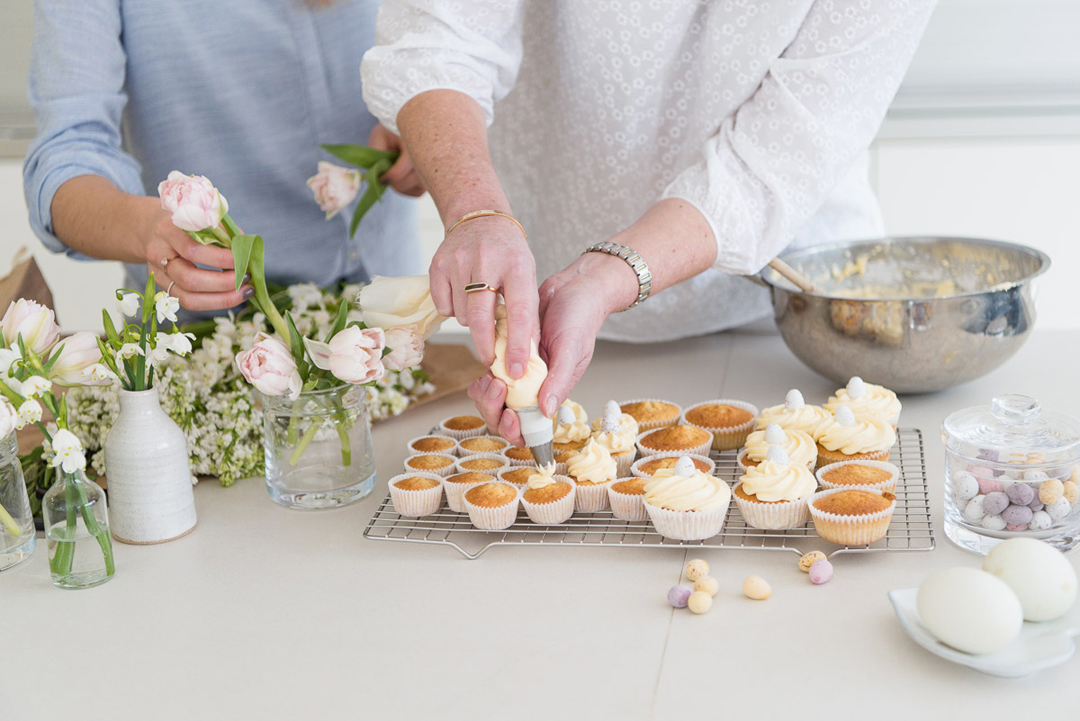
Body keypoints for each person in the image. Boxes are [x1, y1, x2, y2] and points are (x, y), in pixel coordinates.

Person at [360, 0, 936, 443]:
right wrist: (476, 212)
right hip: (539, 289)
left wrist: (602, 278)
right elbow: (438, 37)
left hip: (785, 318)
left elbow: (782, 151)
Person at [23, 0, 422, 315]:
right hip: (210, 341)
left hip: (393, 310)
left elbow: (456, 54)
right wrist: (147, 229)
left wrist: (424, 124)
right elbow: (67, 157)